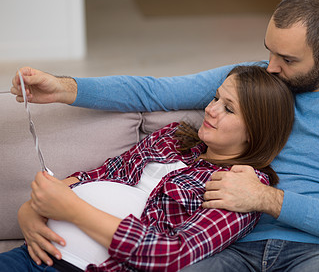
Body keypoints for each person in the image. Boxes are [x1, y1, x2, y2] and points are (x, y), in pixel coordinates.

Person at [9, 0, 319, 271]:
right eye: (268, 51)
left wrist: (267, 200)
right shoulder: (254, 81)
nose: (271, 68)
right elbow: (155, 91)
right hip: (230, 244)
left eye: (287, 59)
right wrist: (65, 87)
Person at [1, 66, 294, 271]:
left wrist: (71, 210)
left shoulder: (242, 187)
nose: (210, 109)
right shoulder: (172, 138)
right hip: (34, 255)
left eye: (229, 109)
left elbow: (171, 254)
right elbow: (101, 174)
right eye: (216, 97)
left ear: (255, 132)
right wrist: (30, 210)